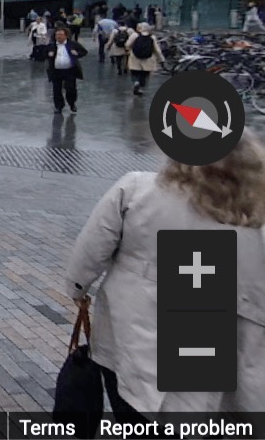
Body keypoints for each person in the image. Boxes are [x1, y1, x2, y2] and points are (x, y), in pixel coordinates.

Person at [65, 130, 265, 418]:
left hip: (131, 336)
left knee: (134, 413)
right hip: (210, 351)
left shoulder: (138, 190)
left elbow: (90, 251)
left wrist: (77, 288)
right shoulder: (254, 217)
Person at [44, 27, 87, 114]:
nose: (58, 36)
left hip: (69, 70)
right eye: (57, 35)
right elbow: (43, 54)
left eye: (60, 35)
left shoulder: (72, 44)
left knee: (71, 89)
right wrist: (48, 55)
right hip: (56, 71)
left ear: (66, 36)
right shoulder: (51, 45)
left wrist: (77, 54)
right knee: (56, 90)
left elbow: (84, 51)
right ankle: (59, 106)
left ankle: (72, 103)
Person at [125, 23, 163, 96]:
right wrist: (161, 59)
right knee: (145, 74)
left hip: (135, 57)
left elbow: (127, 44)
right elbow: (157, 50)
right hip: (148, 58)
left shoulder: (134, 35)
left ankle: (136, 82)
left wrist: (129, 51)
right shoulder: (152, 37)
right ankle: (141, 88)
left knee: (134, 72)